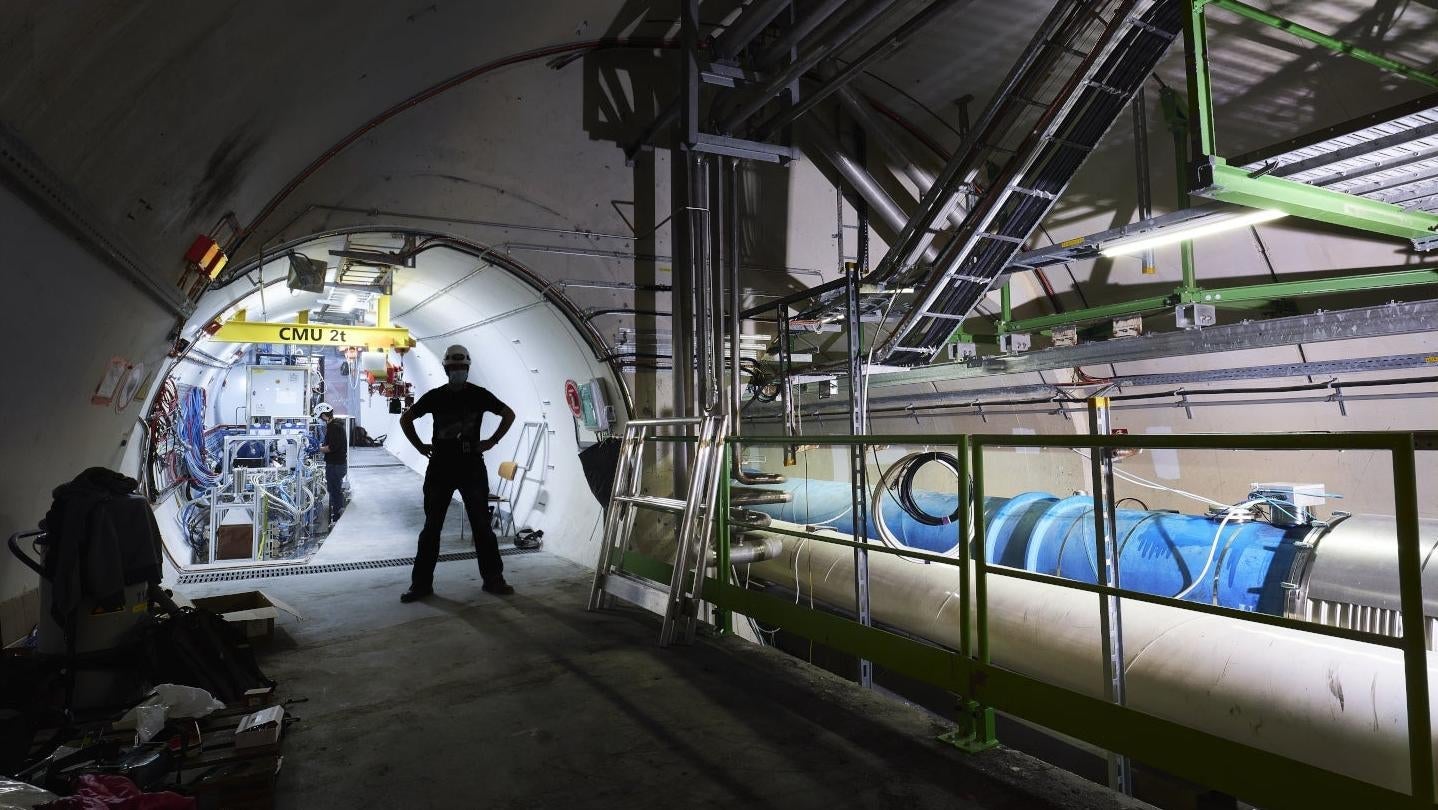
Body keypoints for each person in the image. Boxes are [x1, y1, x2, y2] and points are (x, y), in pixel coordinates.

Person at [398, 344, 516, 602]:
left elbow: (509, 414)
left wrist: (491, 441)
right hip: (442, 466)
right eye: (454, 367)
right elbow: (405, 419)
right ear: (446, 368)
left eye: (461, 367)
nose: (458, 371)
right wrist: (419, 447)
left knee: (482, 526)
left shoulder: (479, 395)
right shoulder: (435, 396)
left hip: (470, 465)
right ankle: (420, 585)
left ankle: (494, 580)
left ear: (468, 368)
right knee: (431, 527)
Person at [316, 403, 347, 523]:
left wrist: (318, 448)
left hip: (335, 464)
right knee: (334, 489)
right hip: (337, 463)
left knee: (334, 490)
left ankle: (338, 516)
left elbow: (332, 447)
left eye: (320, 417)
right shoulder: (335, 426)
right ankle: (338, 513)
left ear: (324, 415)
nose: (320, 420)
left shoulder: (334, 427)